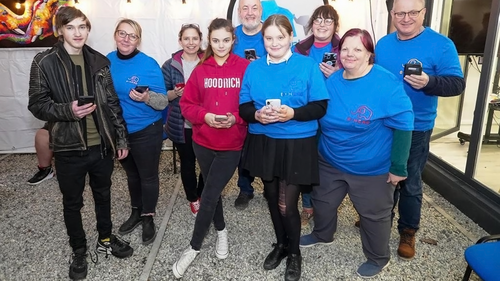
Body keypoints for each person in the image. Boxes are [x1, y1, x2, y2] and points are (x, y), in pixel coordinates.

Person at [27, 6, 133, 280]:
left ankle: (106, 240)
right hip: (67, 148)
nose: (78, 32)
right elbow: (37, 104)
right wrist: (68, 111)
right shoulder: (44, 61)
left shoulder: (99, 62)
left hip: (101, 147)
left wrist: (120, 137)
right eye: (71, 27)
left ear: (88, 29)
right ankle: (79, 250)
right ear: (60, 30)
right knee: (72, 203)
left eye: (82, 27)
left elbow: (112, 103)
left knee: (104, 195)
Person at [300, 28, 414, 278]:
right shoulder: (333, 80)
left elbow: (405, 125)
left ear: (369, 54)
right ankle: (323, 234)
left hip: (370, 167)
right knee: (323, 202)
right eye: (345, 49)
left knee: (374, 216)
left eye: (357, 49)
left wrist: (398, 167)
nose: (349, 54)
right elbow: (319, 118)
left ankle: (378, 258)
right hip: (330, 159)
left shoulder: (386, 83)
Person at [239, 15, 329, 281]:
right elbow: (244, 106)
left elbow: (320, 106)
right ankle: (280, 244)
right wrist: (256, 116)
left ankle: (294, 253)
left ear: (291, 37)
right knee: (270, 195)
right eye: (269, 38)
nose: (274, 42)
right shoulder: (253, 68)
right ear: (263, 40)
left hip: (296, 142)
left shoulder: (307, 65)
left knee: (286, 204)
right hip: (263, 141)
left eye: (280, 37)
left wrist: (293, 113)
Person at [375, 0, 465, 260]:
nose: (405, 18)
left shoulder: (441, 45)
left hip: (416, 126)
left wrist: (429, 82)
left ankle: (408, 230)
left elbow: (456, 84)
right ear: (392, 14)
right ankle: (382, 218)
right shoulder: (383, 44)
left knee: (409, 181)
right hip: (383, 124)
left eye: (412, 12)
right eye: (400, 13)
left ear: (423, 13)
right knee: (383, 175)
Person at [172, 18, 249, 279]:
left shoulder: (244, 67)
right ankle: (221, 231)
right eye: (215, 40)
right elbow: (187, 105)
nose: (220, 45)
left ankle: (193, 248)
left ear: (233, 40)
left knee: (209, 193)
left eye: (226, 40)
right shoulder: (201, 70)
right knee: (213, 193)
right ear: (209, 41)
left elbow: (251, 105)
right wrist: (204, 117)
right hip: (203, 143)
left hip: (231, 144)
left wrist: (235, 118)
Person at [107, 18, 168, 246]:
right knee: (131, 175)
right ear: (115, 35)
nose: (126, 39)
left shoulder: (148, 64)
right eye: (122, 33)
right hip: (120, 132)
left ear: (138, 40)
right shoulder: (106, 62)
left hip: (146, 130)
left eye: (132, 36)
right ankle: (136, 211)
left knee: (148, 175)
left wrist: (146, 97)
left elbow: (162, 102)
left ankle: (148, 216)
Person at [293, 4, 341, 228]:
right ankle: (308, 205)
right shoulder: (299, 48)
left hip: (336, 113)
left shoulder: (346, 46)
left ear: (335, 25)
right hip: (308, 112)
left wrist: (338, 75)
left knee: (331, 161)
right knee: (308, 160)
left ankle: (329, 205)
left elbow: (361, 75)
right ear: (311, 24)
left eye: (328, 20)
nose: (322, 24)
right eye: (318, 20)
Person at [162, 23, 205, 218]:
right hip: (181, 123)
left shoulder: (208, 61)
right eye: (186, 38)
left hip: (205, 121)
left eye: (194, 38)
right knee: (188, 163)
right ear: (180, 40)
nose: (190, 42)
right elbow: (163, 96)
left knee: (207, 163)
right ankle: (193, 198)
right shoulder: (169, 65)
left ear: (200, 40)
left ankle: (204, 194)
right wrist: (175, 93)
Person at [232, 0, 267, 210]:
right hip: (240, 103)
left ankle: (273, 187)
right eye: (245, 8)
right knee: (242, 151)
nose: (250, 12)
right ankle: (245, 188)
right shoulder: (232, 35)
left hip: (268, 103)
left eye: (254, 7)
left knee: (270, 148)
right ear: (239, 12)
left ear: (261, 11)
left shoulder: (271, 32)